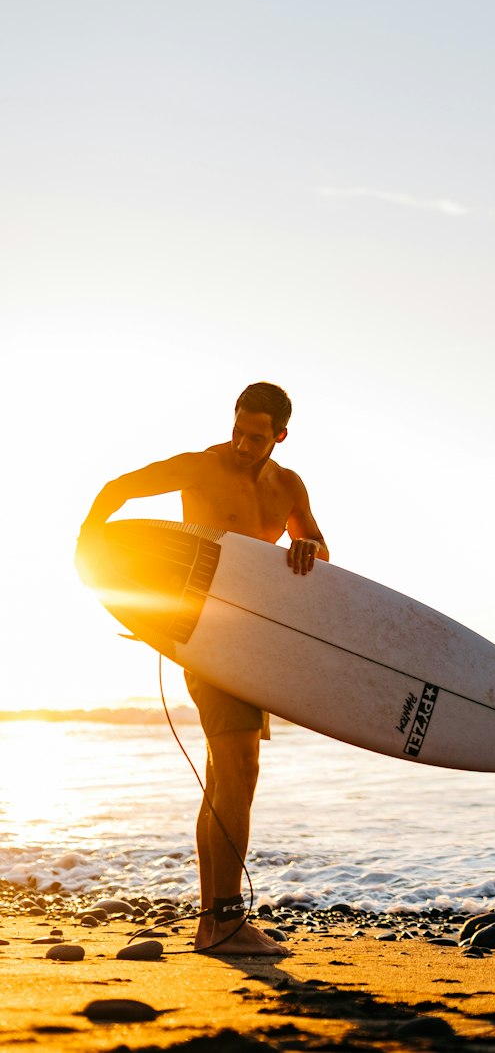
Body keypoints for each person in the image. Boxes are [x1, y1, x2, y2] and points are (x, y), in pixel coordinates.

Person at [79, 382, 328, 955]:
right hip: (202, 634)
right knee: (237, 765)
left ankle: (213, 922)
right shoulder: (201, 466)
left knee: (230, 773)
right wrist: (88, 542)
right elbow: (121, 489)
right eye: (238, 429)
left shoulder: (288, 485)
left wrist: (310, 547)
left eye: (256, 437)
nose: (242, 443)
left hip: (257, 639)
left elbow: (315, 542)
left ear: (280, 436)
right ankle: (225, 921)